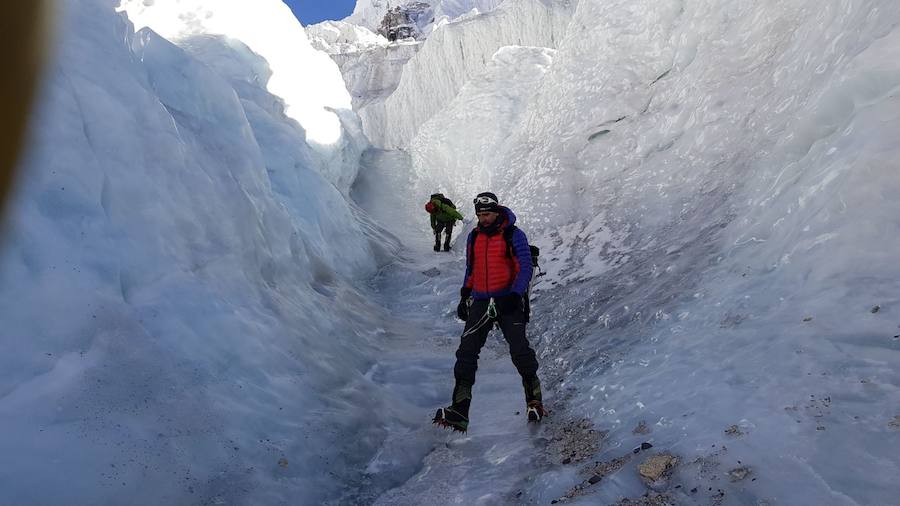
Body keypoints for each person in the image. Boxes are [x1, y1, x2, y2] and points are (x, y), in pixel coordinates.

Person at [433, 192, 545, 432]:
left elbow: (524, 267)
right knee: (466, 352)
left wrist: (515, 295)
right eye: (480, 215)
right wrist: (466, 294)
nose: (483, 219)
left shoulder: (514, 234)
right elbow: (471, 268)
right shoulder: (474, 237)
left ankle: (534, 399)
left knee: (519, 351)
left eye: (487, 214)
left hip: (508, 300)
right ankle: (459, 410)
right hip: (481, 301)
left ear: (497, 211)